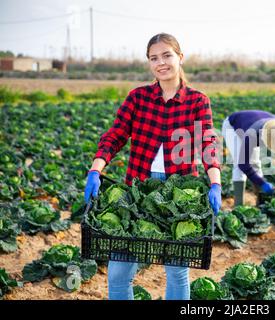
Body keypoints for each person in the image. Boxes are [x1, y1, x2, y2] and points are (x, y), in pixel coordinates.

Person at [84, 33, 221, 300]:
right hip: (138, 191)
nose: (161, 63)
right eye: (153, 58)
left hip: (178, 197)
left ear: (180, 58)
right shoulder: (138, 97)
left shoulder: (197, 100)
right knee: (118, 273)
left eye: (167, 55)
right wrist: (95, 169)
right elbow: (115, 136)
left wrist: (215, 182)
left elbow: (208, 144)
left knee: (177, 272)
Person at [222, 110, 275, 206]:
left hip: (253, 124)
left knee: (255, 163)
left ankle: (260, 201)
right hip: (232, 126)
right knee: (239, 165)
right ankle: (238, 204)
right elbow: (243, 164)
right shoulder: (252, 134)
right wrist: (262, 183)